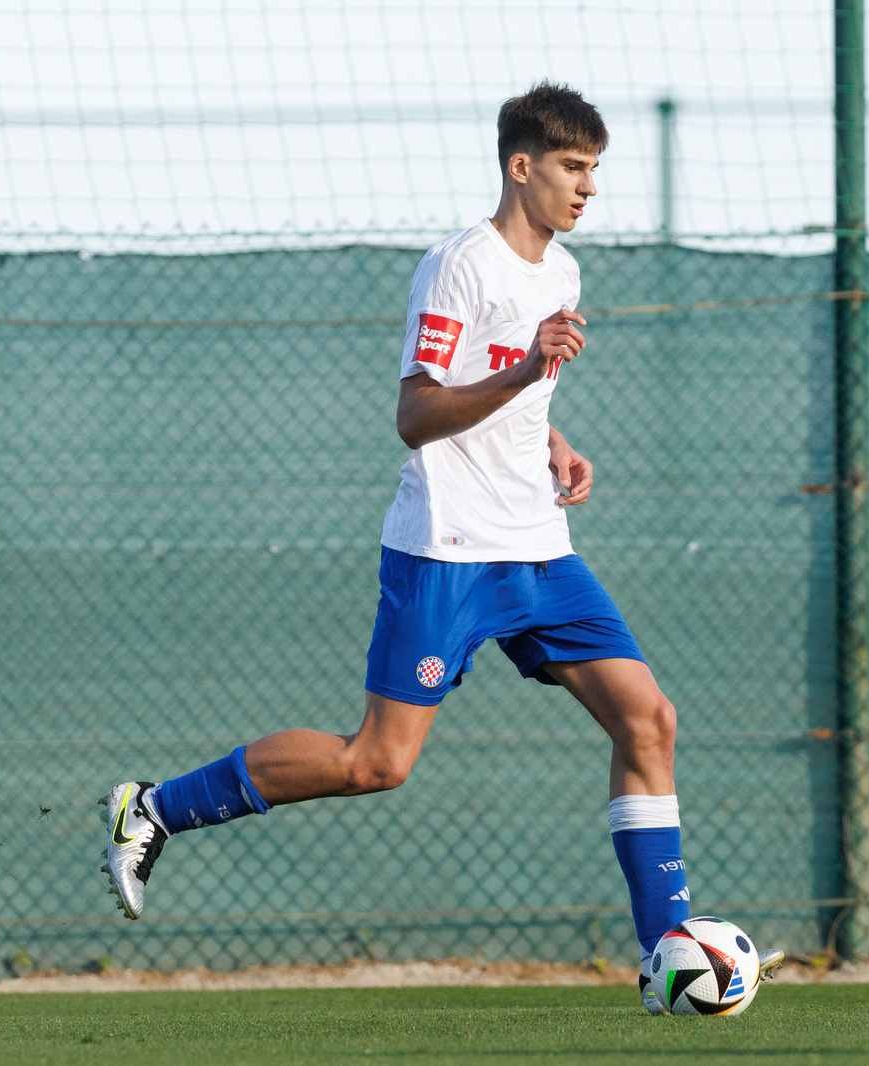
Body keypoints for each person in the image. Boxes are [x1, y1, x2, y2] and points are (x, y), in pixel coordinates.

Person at [99, 81, 782, 1013]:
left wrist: (553, 439)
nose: (588, 189)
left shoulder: (563, 274)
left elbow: (517, 395)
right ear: (522, 165)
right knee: (375, 763)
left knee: (649, 721)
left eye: (595, 171)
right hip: (447, 551)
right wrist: (526, 367)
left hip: (539, 546)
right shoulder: (459, 264)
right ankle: (155, 808)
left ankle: (670, 950)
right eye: (573, 169)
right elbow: (417, 414)